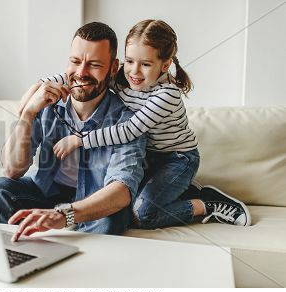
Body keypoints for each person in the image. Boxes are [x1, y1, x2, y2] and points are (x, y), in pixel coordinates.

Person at [39, 20, 251, 229]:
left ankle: (205, 203)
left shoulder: (167, 94)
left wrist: (80, 140)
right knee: (115, 202)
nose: (134, 72)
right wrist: (40, 88)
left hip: (176, 160)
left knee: (141, 215)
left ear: (165, 64)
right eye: (130, 61)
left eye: (146, 64)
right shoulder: (123, 76)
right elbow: (79, 77)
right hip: (148, 156)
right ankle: (181, 190)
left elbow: (130, 130)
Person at [0, 22, 147, 242]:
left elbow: (121, 190)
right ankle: (18, 255)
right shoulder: (47, 102)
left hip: (94, 201)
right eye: (75, 62)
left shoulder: (129, 119)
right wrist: (27, 114)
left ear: (113, 68)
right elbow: (12, 170)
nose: (81, 73)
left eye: (93, 65)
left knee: (114, 217)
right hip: (47, 192)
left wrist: (65, 214)